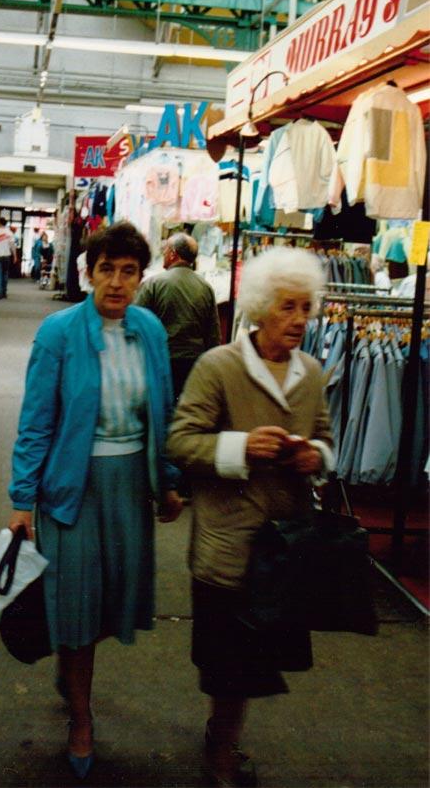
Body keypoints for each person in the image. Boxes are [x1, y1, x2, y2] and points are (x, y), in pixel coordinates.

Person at [7, 221, 182, 778]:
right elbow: (35, 422)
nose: (116, 281)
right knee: (78, 606)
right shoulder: (58, 333)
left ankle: (70, 662)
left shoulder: (150, 330)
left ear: (140, 277)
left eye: (128, 271)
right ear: (88, 273)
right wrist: (21, 498)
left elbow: (166, 410)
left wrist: (170, 478)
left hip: (132, 485)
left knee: (114, 604)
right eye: (106, 269)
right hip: (71, 490)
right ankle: (80, 719)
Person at [166, 246, 335, 788]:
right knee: (227, 659)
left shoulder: (312, 374)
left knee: (256, 657)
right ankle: (221, 746)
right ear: (261, 308)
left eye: (306, 308)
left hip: (283, 545)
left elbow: (328, 440)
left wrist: (317, 458)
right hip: (226, 542)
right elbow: (181, 441)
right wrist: (240, 448)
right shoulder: (218, 366)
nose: (299, 321)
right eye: (288, 307)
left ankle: (223, 735)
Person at [134, 231, 221, 401]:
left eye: (165, 249)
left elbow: (137, 324)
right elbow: (213, 334)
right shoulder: (205, 287)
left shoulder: (154, 284)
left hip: (162, 360)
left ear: (173, 253)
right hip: (194, 363)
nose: (163, 253)